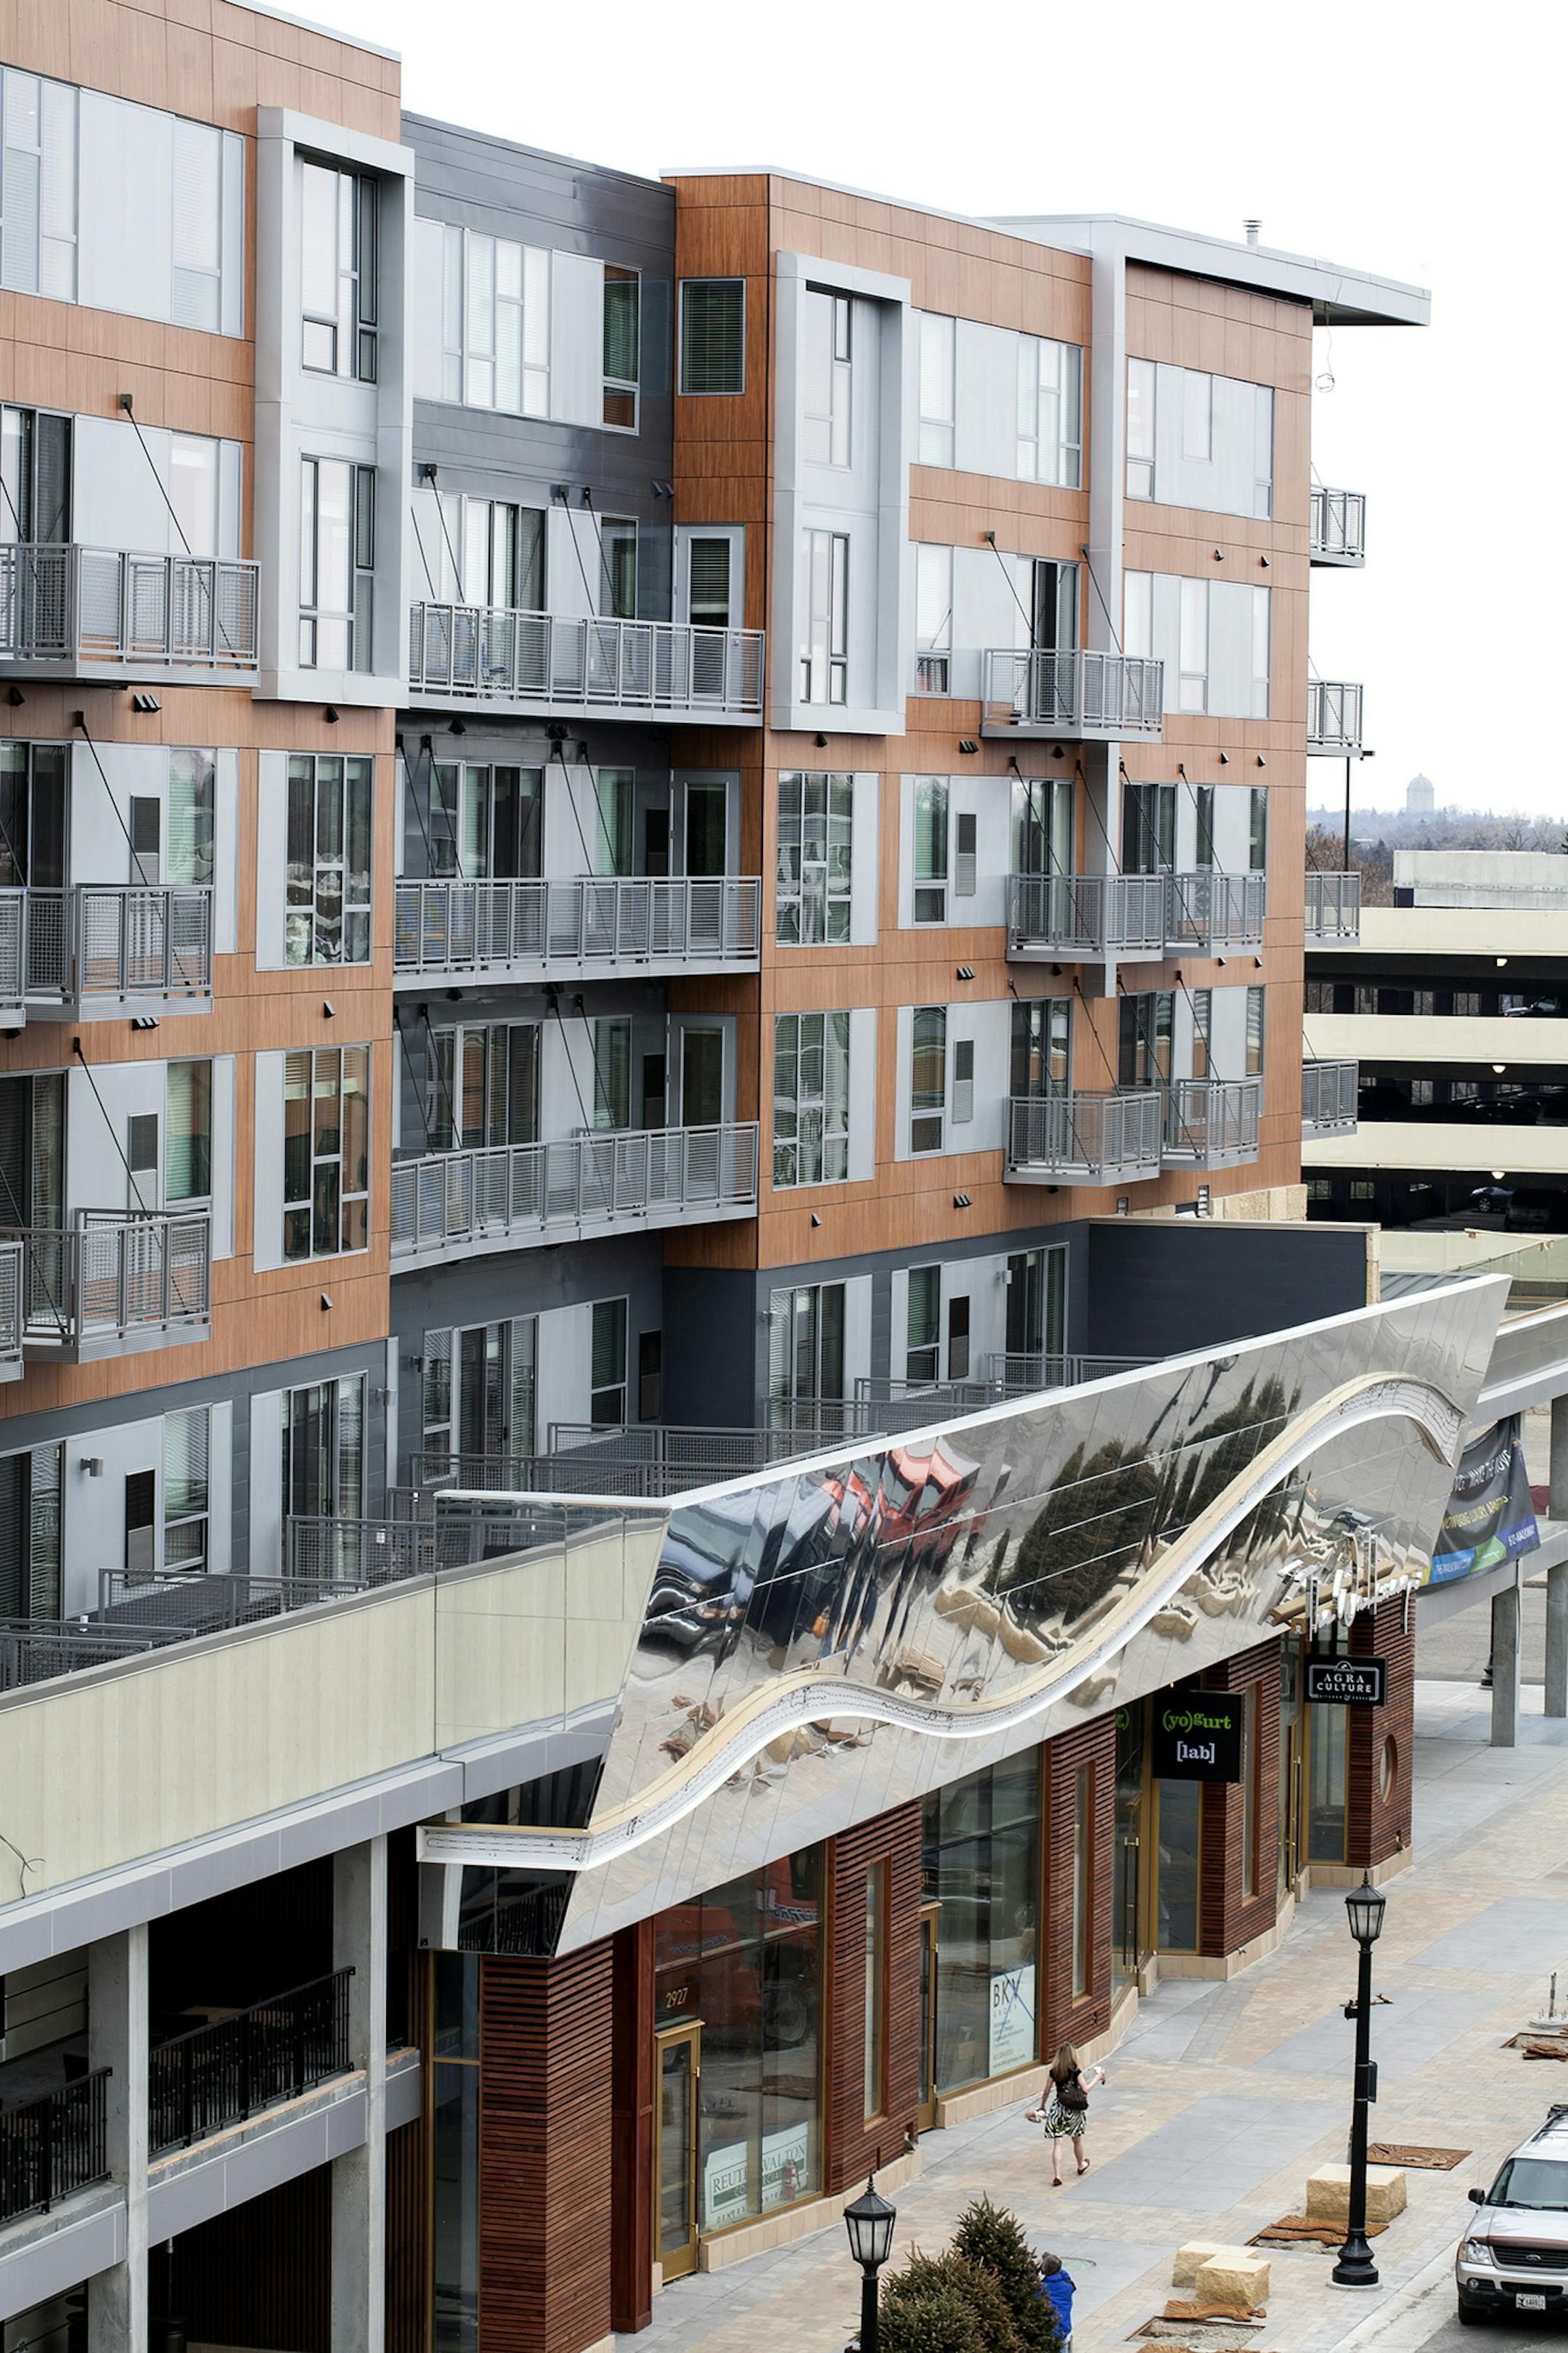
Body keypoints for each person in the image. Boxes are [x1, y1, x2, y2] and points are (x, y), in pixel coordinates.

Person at [1027, 2041, 1103, 2185]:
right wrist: (1097, 2078)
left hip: (1058, 2109)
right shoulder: (1076, 2071)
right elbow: (1085, 2089)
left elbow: (1046, 2091)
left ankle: (1058, 2175)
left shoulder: (1054, 2071)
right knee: (1077, 2140)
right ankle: (1081, 2165)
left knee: (1058, 2143)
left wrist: (1043, 2106)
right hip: (1074, 2110)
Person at [1038, 2252, 1075, 2347]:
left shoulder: (1040, 2289)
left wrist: (1035, 2269)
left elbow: (1028, 2282)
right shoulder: (1068, 2287)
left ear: (1044, 2269)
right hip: (1063, 2331)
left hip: (1045, 2331)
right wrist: (1057, 2265)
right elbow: (1067, 2279)